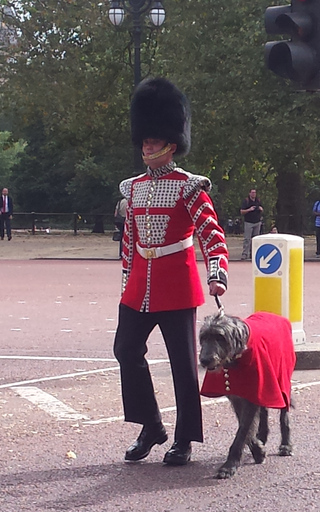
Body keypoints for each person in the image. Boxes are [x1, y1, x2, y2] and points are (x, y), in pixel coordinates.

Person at [113, 77, 229, 466]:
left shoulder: (189, 187)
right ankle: (151, 425)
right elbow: (129, 239)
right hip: (139, 286)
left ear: (171, 143)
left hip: (176, 284)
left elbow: (211, 234)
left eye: (153, 139)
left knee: (183, 364)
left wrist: (218, 272)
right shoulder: (131, 188)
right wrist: (127, 274)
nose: (147, 144)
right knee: (126, 350)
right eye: (144, 139)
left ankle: (185, 438)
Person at [240, 189, 263, 261]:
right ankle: (245, 254)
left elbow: (262, 209)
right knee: (247, 239)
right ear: (249, 193)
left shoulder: (258, 201)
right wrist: (249, 209)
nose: (254, 194)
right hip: (248, 222)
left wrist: (260, 209)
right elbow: (242, 211)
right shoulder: (246, 201)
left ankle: (253, 254)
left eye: (255, 193)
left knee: (255, 239)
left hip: (257, 222)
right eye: (252, 193)